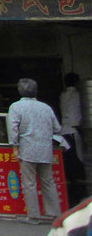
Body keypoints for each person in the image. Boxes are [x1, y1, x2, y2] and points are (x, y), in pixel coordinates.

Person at [8, 78, 62, 223]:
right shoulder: (46, 107)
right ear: (35, 91)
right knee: (48, 181)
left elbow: (13, 129)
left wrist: (14, 147)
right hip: (45, 149)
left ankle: (33, 216)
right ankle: (55, 214)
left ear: (20, 91)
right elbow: (57, 128)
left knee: (29, 183)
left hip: (27, 150)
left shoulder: (16, 107)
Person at [60, 72, 85, 205]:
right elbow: (76, 117)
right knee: (76, 165)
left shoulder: (63, 95)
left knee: (68, 165)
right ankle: (78, 196)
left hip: (64, 133)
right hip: (73, 133)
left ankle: (72, 196)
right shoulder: (76, 95)